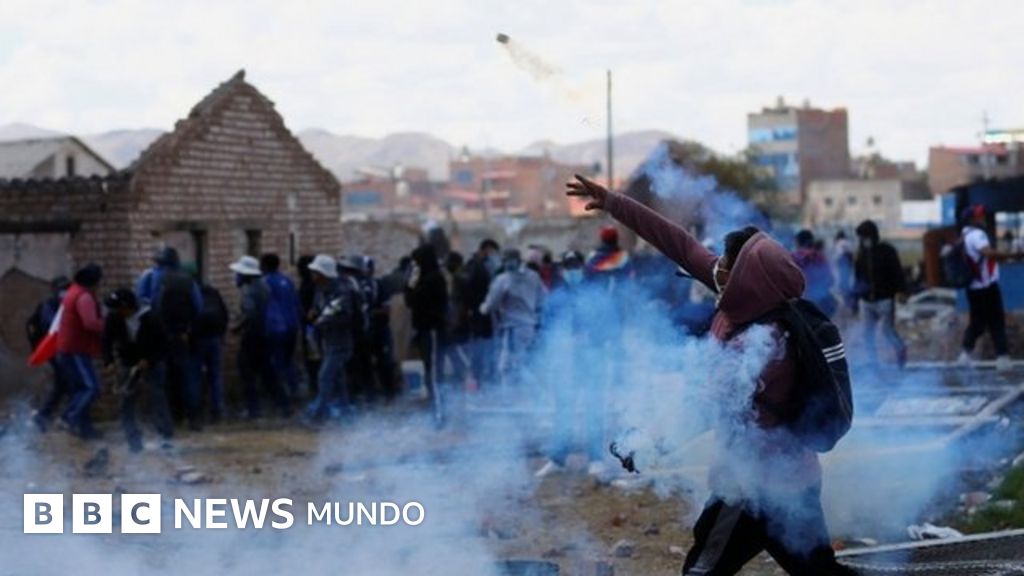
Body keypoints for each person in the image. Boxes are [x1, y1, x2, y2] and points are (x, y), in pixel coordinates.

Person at [567, 174, 854, 576]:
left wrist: (645, 446)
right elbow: (680, 244)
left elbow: (703, 408)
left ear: (746, 278)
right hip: (797, 482)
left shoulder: (760, 344)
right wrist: (614, 202)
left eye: (726, 264)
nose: (715, 266)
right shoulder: (752, 301)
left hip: (750, 491)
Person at [536, 250, 608, 478]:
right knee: (563, 410)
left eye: (576, 265)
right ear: (563, 270)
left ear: (582, 267)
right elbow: (545, 328)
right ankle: (558, 459)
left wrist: (592, 338)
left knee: (593, 409)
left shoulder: (595, 294)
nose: (573, 270)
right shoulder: (556, 297)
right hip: (565, 362)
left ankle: (596, 458)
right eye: (569, 266)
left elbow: (607, 324)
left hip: (591, 360)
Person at [136, 246, 204, 430]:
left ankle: (166, 421)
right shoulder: (188, 280)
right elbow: (198, 308)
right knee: (185, 376)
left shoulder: (150, 277)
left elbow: (141, 305)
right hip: (181, 335)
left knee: (159, 379)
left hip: (157, 337)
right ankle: (192, 418)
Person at [102, 288, 173, 453]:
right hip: (128, 362)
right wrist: (109, 361)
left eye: (118, 308)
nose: (114, 311)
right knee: (126, 401)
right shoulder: (114, 318)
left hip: (152, 362)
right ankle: (134, 442)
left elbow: (164, 344)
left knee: (157, 398)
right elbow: (106, 339)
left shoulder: (151, 318)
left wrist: (149, 360)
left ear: (127, 307)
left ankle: (166, 437)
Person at [958, 205, 1022, 370]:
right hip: (986, 286)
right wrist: (1013, 255)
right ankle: (1002, 358)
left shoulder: (964, 235)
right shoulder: (978, 235)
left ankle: (965, 354)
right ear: (972, 219)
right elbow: (988, 253)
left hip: (973, 287)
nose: (983, 218)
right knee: (996, 321)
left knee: (978, 322)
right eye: (979, 216)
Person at [230, 255, 288, 419]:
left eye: (239, 274)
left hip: (253, 337)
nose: (236, 277)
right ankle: (283, 405)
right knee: (268, 373)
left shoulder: (250, 290)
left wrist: (237, 327)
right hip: (266, 335)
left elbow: (250, 314)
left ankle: (253, 409)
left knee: (247, 373)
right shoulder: (263, 286)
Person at [305, 254, 361, 421]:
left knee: (325, 376)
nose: (312, 275)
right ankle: (345, 409)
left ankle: (320, 412)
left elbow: (342, 314)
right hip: (328, 340)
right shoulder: (321, 289)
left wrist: (321, 320)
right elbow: (317, 308)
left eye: (315, 272)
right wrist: (314, 313)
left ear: (323, 273)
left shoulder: (341, 291)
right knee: (337, 376)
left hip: (341, 342)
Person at [480, 248, 546, 388]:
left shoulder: (503, 279)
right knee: (519, 362)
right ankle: (521, 393)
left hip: (513, 327)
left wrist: (482, 308)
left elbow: (491, 304)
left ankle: (525, 392)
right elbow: (543, 299)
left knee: (509, 364)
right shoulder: (533, 276)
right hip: (529, 326)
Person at [57, 263, 106, 440]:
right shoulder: (84, 297)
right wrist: (105, 325)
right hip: (75, 349)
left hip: (70, 348)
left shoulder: (73, 291)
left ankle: (86, 431)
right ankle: (68, 417)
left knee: (80, 389)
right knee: (90, 387)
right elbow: (90, 323)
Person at [853, 220, 908, 368]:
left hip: (884, 299)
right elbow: (858, 277)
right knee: (867, 334)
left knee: (887, 331)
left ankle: (900, 352)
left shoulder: (887, 251)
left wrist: (901, 291)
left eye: (864, 237)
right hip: (866, 301)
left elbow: (898, 272)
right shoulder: (861, 254)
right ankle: (873, 362)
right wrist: (855, 299)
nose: (862, 241)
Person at [405, 244, 449, 401]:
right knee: (430, 367)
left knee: (434, 370)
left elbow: (413, 299)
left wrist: (411, 283)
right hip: (425, 328)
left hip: (433, 329)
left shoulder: (434, 279)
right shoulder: (426, 278)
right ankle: (436, 404)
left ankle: (439, 409)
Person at [27, 276, 71, 432]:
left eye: (67, 288)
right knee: (67, 382)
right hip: (53, 350)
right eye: (62, 288)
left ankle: (43, 416)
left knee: (62, 384)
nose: (65, 291)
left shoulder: (63, 304)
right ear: (55, 290)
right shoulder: (50, 305)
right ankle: (58, 417)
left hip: (62, 350)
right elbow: (52, 326)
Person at [458, 239, 501, 387]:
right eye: (492, 252)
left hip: (485, 314)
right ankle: (478, 379)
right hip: (478, 314)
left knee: (486, 347)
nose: (493, 256)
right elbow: (469, 290)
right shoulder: (474, 266)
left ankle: (484, 378)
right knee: (479, 348)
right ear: (485, 250)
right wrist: (471, 309)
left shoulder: (484, 266)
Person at [261, 253, 302, 400]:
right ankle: (294, 388)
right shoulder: (287, 280)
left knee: (277, 361)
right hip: (292, 325)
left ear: (264, 266)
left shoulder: (265, 282)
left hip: (277, 328)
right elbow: (296, 303)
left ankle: (282, 396)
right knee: (288, 359)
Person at [191, 275, 229, 423]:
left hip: (199, 339)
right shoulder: (213, 292)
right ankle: (218, 410)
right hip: (216, 338)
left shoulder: (191, 293)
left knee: (195, 375)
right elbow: (224, 314)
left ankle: (196, 411)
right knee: (216, 376)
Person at [792, 230, 837, 318]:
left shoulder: (793, 257)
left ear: (798, 242)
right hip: (822, 304)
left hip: (801, 306)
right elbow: (831, 280)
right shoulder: (819, 257)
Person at [297, 255, 321, 396]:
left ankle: (316, 389)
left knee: (314, 360)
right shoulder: (311, 285)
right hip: (311, 327)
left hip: (312, 328)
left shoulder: (309, 286)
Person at [833, 231, 855, 314]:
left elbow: (840, 255)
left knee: (843, 287)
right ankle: (850, 305)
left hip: (843, 266)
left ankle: (847, 306)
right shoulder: (849, 243)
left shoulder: (840, 243)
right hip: (848, 266)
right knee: (847, 286)